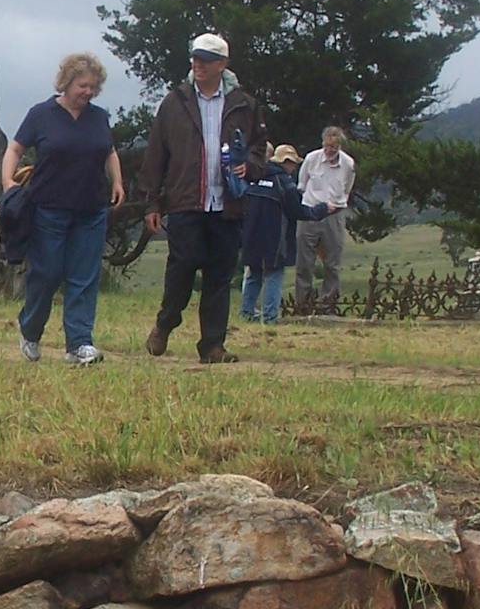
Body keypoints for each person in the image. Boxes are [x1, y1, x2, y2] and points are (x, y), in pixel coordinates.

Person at [140, 33, 268, 363]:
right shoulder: (175, 102)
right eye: (194, 58)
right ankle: (166, 322)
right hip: (185, 201)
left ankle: (212, 345)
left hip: (227, 204)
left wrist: (249, 167)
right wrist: (152, 202)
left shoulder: (244, 104)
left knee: (220, 275)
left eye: (205, 59)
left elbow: (258, 148)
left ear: (222, 65)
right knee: (181, 268)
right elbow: (156, 154)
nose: (197, 64)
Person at [3, 52, 125, 366]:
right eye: (83, 85)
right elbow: (15, 147)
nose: (88, 92)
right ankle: (30, 330)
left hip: (91, 209)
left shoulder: (98, 117)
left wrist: (117, 182)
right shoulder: (40, 114)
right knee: (46, 274)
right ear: (67, 83)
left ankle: (79, 344)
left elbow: (109, 151)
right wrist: (7, 181)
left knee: (84, 277)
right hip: (48, 209)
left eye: (93, 87)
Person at [240, 144, 337, 324]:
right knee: (274, 275)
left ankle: (246, 313)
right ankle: (270, 317)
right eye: (293, 163)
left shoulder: (255, 177)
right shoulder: (284, 183)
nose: (294, 167)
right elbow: (297, 211)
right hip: (275, 237)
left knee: (254, 273)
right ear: (286, 162)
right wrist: (322, 209)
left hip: (251, 236)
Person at [294, 126, 356, 312]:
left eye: (334, 147)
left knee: (332, 263)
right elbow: (302, 184)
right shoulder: (312, 159)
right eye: (327, 146)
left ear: (340, 147)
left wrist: (334, 204)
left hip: (334, 214)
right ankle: (303, 304)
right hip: (310, 212)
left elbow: (347, 189)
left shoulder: (348, 164)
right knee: (304, 261)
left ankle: (327, 304)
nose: (329, 150)